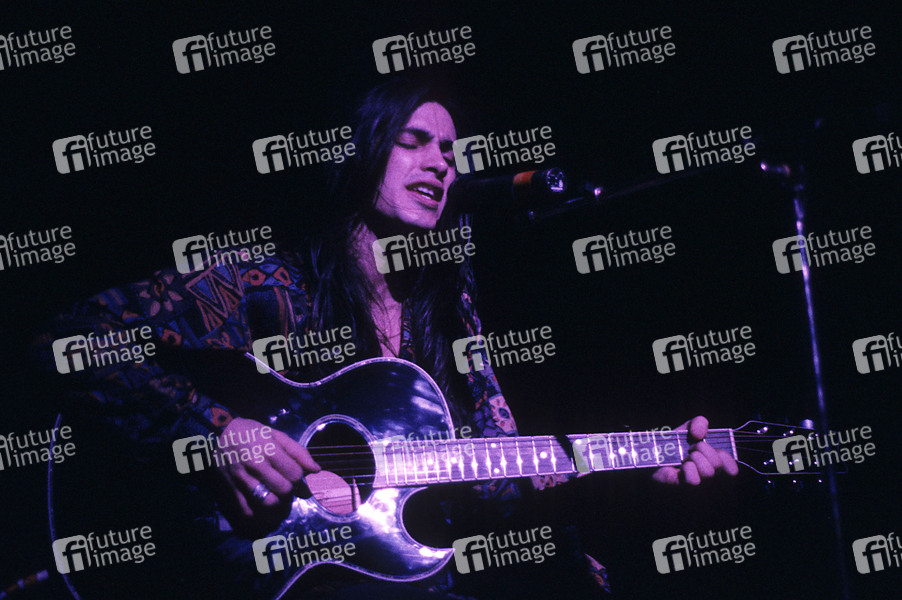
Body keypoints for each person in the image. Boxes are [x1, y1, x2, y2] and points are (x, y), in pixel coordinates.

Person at [34, 77, 737, 599]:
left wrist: (646, 467)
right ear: (361, 149)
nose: (441, 163)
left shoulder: (450, 312)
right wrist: (217, 432)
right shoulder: (265, 281)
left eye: (451, 152)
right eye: (414, 141)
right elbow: (70, 339)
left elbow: (501, 486)